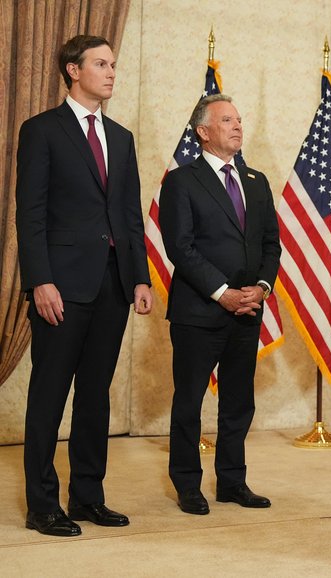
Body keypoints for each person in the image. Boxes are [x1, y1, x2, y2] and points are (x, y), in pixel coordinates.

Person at [16, 35, 153, 537]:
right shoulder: (42, 131)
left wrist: (138, 276)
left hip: (113, 286)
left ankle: (87, 497)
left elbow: (129, 215)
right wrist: (40, 281)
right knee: (49, 395)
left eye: (114, 63)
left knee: (95, 395)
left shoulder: (121, 137)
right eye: (101, 63)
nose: (112, 72)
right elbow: (29, 216)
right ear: (73, 71)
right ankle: (42, 506)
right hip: (61, 286)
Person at [158, 94, 281, 516]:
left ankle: (232, 482)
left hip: (248, 310)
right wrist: (222, 293)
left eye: (239, 120)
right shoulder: (181, 181)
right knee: (189, 401)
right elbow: (180, 246)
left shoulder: (256, 180)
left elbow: (270, 244)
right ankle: (188, 485)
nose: (237, 126)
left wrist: (261, 287)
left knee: (238, 403)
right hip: (199, 311)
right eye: (227, 120)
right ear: (203, 131)